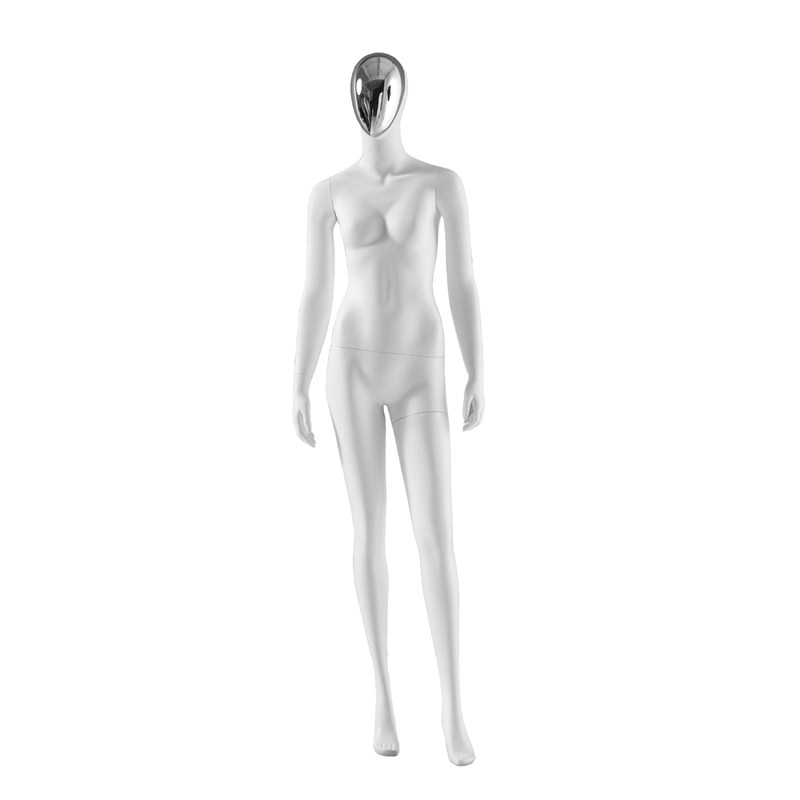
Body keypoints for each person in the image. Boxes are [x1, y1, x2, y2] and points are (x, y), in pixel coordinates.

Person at [292, 52, 484, 766]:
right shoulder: (328, 193)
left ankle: (453, 706)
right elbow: (315, 290)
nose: (373, 102)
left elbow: (463, 280)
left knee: (436, 536)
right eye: (364, 92)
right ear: (353, 100)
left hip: (421, 368)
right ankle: (382, 696)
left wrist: (478, 366)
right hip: (351, 364)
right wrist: (297, 379)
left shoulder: (441, 184)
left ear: (402, 98)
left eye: (383, 90)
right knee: (369, 530)